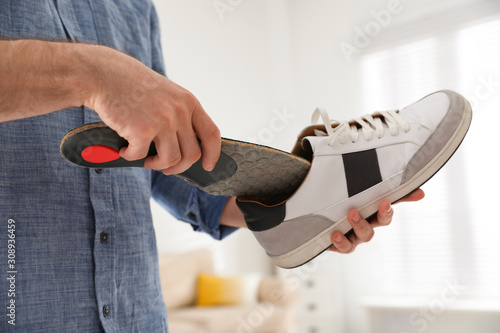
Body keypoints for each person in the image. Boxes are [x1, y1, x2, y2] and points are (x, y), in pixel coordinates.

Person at [0, 1, 424, 332]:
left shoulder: (134, 9)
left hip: (140, 319)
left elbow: (166, 164)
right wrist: (93, 74)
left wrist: (294, 209)